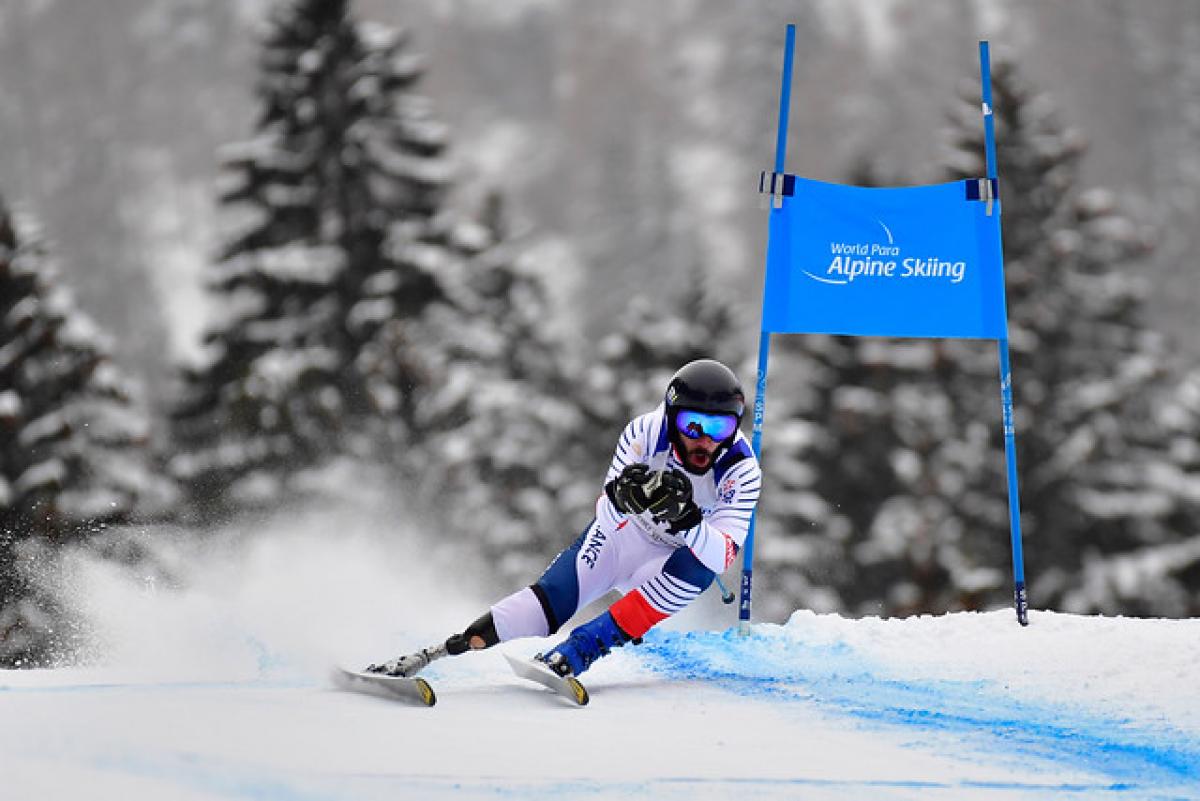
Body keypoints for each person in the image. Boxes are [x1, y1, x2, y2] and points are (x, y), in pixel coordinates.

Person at [368, 358, 762, 679]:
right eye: (693, 424)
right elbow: (606, 516)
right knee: (545, 604)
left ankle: (580, 651)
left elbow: (720, 557)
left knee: (696, 568)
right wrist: (623, 497)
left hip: (665, 566)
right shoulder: (645, 432)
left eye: (721, 426)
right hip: (622, 540)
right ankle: (435, 653)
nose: (706, 439)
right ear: (672, 416)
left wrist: (690, 524)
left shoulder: (741, 471)